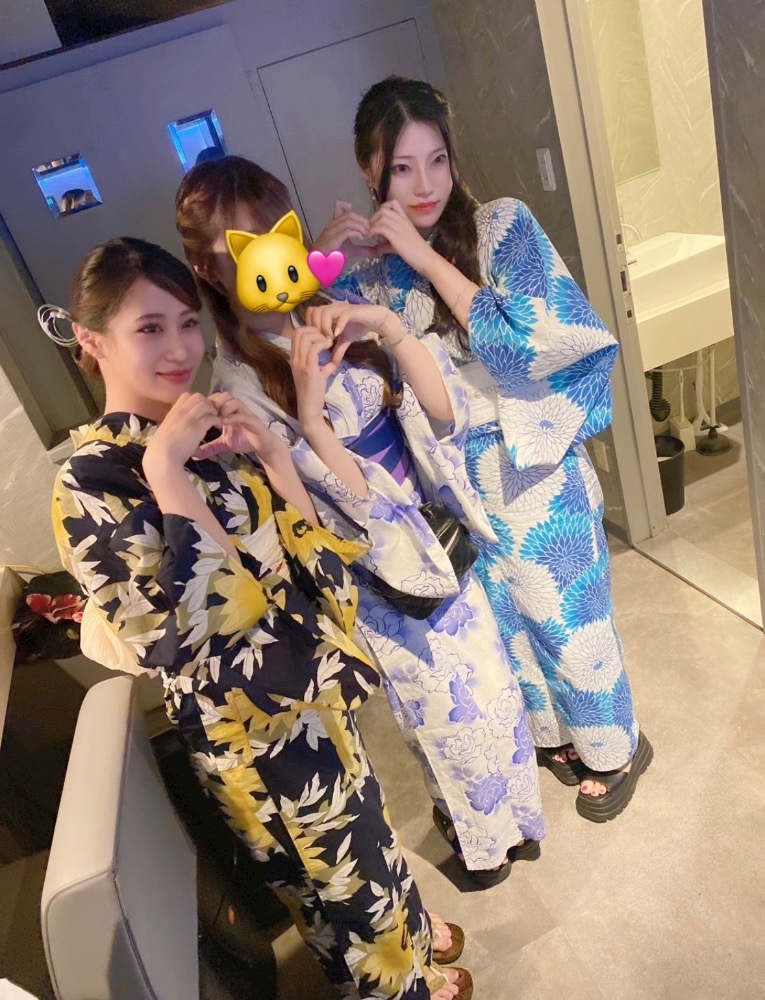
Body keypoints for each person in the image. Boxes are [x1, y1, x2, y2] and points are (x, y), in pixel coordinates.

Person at [47, 236, 470, 1000]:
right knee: (334, 887)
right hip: (257, 733)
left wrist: (273, 456)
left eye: (187, 322)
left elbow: (308, 557)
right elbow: (183, 639)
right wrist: (167, 477)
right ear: (92, 339)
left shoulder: (203, 428)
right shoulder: (92, 481)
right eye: (149, 328)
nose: (181, 348)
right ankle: (398, 981)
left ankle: (405, 932)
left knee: (364, 839)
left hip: (314, 689)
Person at [175, 155, 545, 890]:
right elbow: (317, 517)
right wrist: (311, 418)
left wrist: (386, 325)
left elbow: (442, 410)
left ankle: (519, 816)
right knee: (444, 716)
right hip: (383, 571)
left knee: (494, 687)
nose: (270, 255)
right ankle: (478, 838)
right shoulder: (240, 387)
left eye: (277, 232)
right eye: (242, 247)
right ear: (210, 269)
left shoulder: (329, 306)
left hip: (436, 530)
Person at [318, 75, 652, 822]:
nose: (425, 185)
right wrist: (322, 261)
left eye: (437, 160)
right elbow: (337, 368)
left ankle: (617, 747)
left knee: (566, 619)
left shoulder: (502, 227)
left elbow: (536, 341)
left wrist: (426, 257)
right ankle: (561, 737)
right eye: (402, 168)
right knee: (512, 625)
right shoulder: (371, 268)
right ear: (370, 171)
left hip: (534, 462)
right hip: (454, 476)